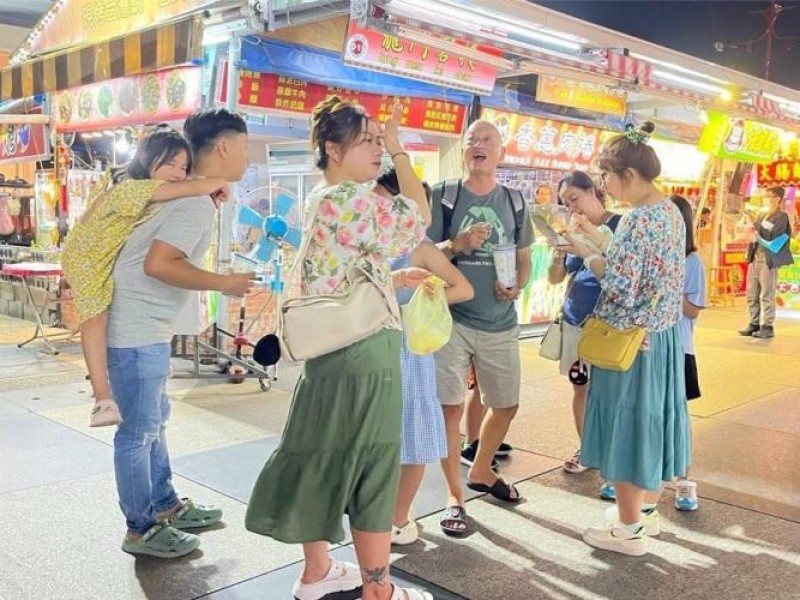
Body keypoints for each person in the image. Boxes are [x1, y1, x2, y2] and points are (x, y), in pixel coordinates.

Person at [245, 98, 432, 600]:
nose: (377, 149)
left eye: (379, 140)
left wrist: (390, 277)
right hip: (367, 356)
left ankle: (318, 572)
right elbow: (420, 216)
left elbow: (334, 275)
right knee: (373, 467)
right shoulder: (352, 198)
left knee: (320, 456)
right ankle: (379, 590)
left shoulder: (321, 199)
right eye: (368, 140)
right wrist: (400, 151)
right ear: (333, 147)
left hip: (329, 353)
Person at [107, 109, 254, 558]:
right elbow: (160, 264)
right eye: (245, 146)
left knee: (154, 422)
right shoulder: (192, 202)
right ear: (224, 147)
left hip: (143, 327)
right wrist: (223, 282)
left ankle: (165, 503)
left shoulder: (193, 195)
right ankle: (140, 529)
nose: (247, 156)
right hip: (135, 331)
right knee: (137, 432)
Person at [559, 122, 689, 556]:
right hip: (662, 337)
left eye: (607, 178)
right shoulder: (669, 211)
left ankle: (629, 527)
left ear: (628, 176)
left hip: (630, 342)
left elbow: (619, 285)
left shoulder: (637, 219)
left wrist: (587, 254)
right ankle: (645, 514)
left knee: (628, 425)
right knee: (651, 422)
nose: (606, 187)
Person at [62, 128, 231, 428]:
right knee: (95, 317)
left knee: (97, 316)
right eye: (170, 164)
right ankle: (102, 398)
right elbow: (177, 191)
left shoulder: (137, 189)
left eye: (183, 167)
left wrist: (202, 185)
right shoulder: (132, 188)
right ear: (147, 160)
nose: (178, 174)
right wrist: (217, 182)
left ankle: (103, 397)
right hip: (86, 256)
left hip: (95, 254)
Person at [428, 120, 534, 536]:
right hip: (451, 320)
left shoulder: (515, 201)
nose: (479, 145)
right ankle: (454, 496)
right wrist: (458, 245)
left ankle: (483, 470)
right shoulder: (444, 196)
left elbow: (524, 257)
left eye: (488, 140)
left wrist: (517, 285)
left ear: (500, 153)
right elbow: (423, 256)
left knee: (505, 404)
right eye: (472, 140)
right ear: (463, 151)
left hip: (500, 322)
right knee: (449, 409)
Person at [375, 168, 474, 546]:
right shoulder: (371, 240)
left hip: (404, 349)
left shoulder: (420, 248)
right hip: (382, 346)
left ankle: (397, 517)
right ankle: (391, 514)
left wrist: (413, 307)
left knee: (411, 434)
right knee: (388, 435)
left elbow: (462, 289)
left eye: (380, 195)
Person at [546, 171, 621, 498]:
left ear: (594, 191)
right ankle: (587, 448)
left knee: (609, 394)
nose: (572, 207)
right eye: (565, 203)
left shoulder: (618, 226)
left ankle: (612, 461)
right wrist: (559, 253)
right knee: (581, 389)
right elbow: (554, 278)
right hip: (575, 319)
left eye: (575, 198)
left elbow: (619, 273)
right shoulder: (571, 230)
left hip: (607, 326)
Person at [671, 194, 707, 512]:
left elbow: (694, 309)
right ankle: (630, 480)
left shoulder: (692, 261)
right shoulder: (651, 255)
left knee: (679, 416)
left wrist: (668, 288)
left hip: (679, 348)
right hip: (647, 347)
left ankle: (684, 482)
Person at [739, 186, 793, 339]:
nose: (765, 199)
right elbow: (755, 233)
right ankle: (754, 322)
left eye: (768, 196)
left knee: (767, 294)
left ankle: (768, 325)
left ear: (777, 199)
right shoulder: (762, 215)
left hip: (768, 260)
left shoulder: (781, 217)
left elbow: (773, 236)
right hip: (754, 258)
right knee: (752, 293)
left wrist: (757, 225)